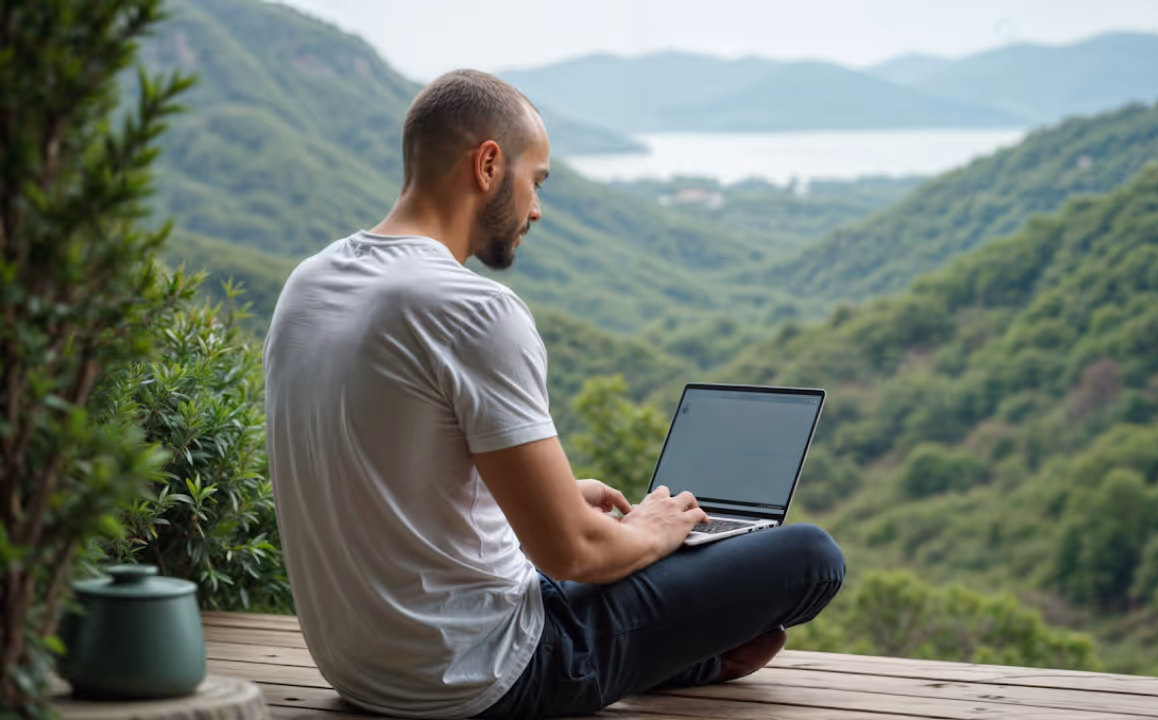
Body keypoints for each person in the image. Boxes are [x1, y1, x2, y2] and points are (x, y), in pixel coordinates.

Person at [263, 69, 845, 720]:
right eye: (534, 181)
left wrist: (560, 499)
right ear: (488, 164)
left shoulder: (308, 285)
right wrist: (651, 533)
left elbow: (388, 474)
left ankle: (678, 644)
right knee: (811, 557)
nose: (536, 209)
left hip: (363, 667)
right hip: (487, 675)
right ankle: (686, 654)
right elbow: (574, 553)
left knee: (609, 534)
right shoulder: (472, 309)